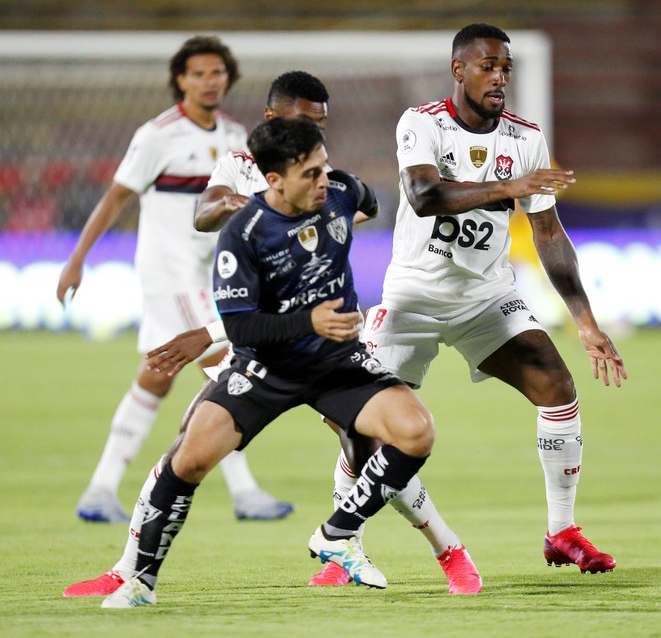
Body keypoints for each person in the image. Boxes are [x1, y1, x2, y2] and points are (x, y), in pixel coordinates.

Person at [63, 71, 481, 599]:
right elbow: (209, 217)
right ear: (274, 161)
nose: (316, 142)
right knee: (188, 453)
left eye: (320, 133)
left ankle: (401, 545)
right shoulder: (244, 204)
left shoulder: (333, 185)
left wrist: (332, 217)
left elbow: (367, 200)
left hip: (334, 358)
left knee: (389, 439)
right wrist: (255, 213)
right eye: (306, 127)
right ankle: (133, 573)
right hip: (264, 358)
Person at [360, 22, 628, 573]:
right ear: (459, 70)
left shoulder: (526, 138)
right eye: (488, 66)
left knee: (556, 382)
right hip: (412, 296)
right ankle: (345, 539)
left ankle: (562, 531)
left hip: (485, 294)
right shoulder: (422, 122)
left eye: (506, 67)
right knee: (366, 427)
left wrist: (584, 322)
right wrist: (510, 188)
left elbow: (549, 235)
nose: (500, 76)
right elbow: (425, 194)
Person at [55, 35, 292, 523]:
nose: (210, 81)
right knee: (228, 366)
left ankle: (99, 490)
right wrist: (77, 258)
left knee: (156, 376)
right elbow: (116, 197)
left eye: (217, 72)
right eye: (199, 73)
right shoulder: (158, 134)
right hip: (171, 271)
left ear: (228, 78)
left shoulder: (234, 137)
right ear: (180, 80)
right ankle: (245, 492)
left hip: (210, 272)